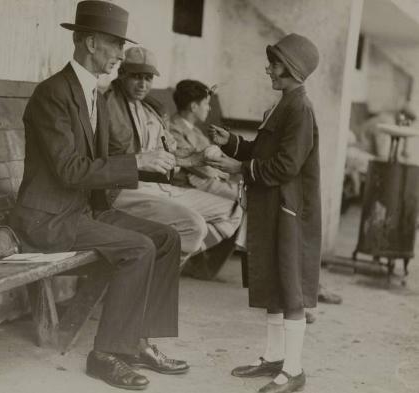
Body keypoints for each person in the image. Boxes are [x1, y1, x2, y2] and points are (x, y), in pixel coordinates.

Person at [8, 2, 188, 390]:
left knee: (167, 238)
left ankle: (137, 342)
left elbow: (102, 162)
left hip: (85, 210)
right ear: (91, 43)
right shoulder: (53, 94)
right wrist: (137, 160)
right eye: (114, 44)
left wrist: (146, 163)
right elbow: (69, 170)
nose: (120, 54)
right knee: (138, 248)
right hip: (48, 217)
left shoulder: (94, 93)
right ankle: (104, 354)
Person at [207, 33, 321, 393]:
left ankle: (295, 369)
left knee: (290, 286)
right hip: (273, 205)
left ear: (290, 69)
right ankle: (275, 358)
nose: (268, 69)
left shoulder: (300, 108)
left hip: (288, 210)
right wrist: (234, 143)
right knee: (274, 280)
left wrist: (236, 167)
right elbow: (263, 148)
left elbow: (286, 165)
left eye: (273, 63)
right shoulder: (284, 104)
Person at [105, 46, 243, 266]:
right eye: (136, 77)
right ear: (121, 74)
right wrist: (144, 159)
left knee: (232, 208)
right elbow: (105, 160)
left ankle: (161, 270)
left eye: (148, 78)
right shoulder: (107, 106)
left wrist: (197, 157)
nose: (143, 84)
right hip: (126, 189)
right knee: (194, 226)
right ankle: (151, 278)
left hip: (160, 188)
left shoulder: (151, 108)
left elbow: (169, 152)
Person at [169, 79, 241, 201]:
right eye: (206, 103)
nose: (209, 108)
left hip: (209, 180)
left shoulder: (195, 130)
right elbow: (190, 161)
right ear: (194, 106)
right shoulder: (173, 129)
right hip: (192, 183)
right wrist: (223, 174)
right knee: (244, 198)